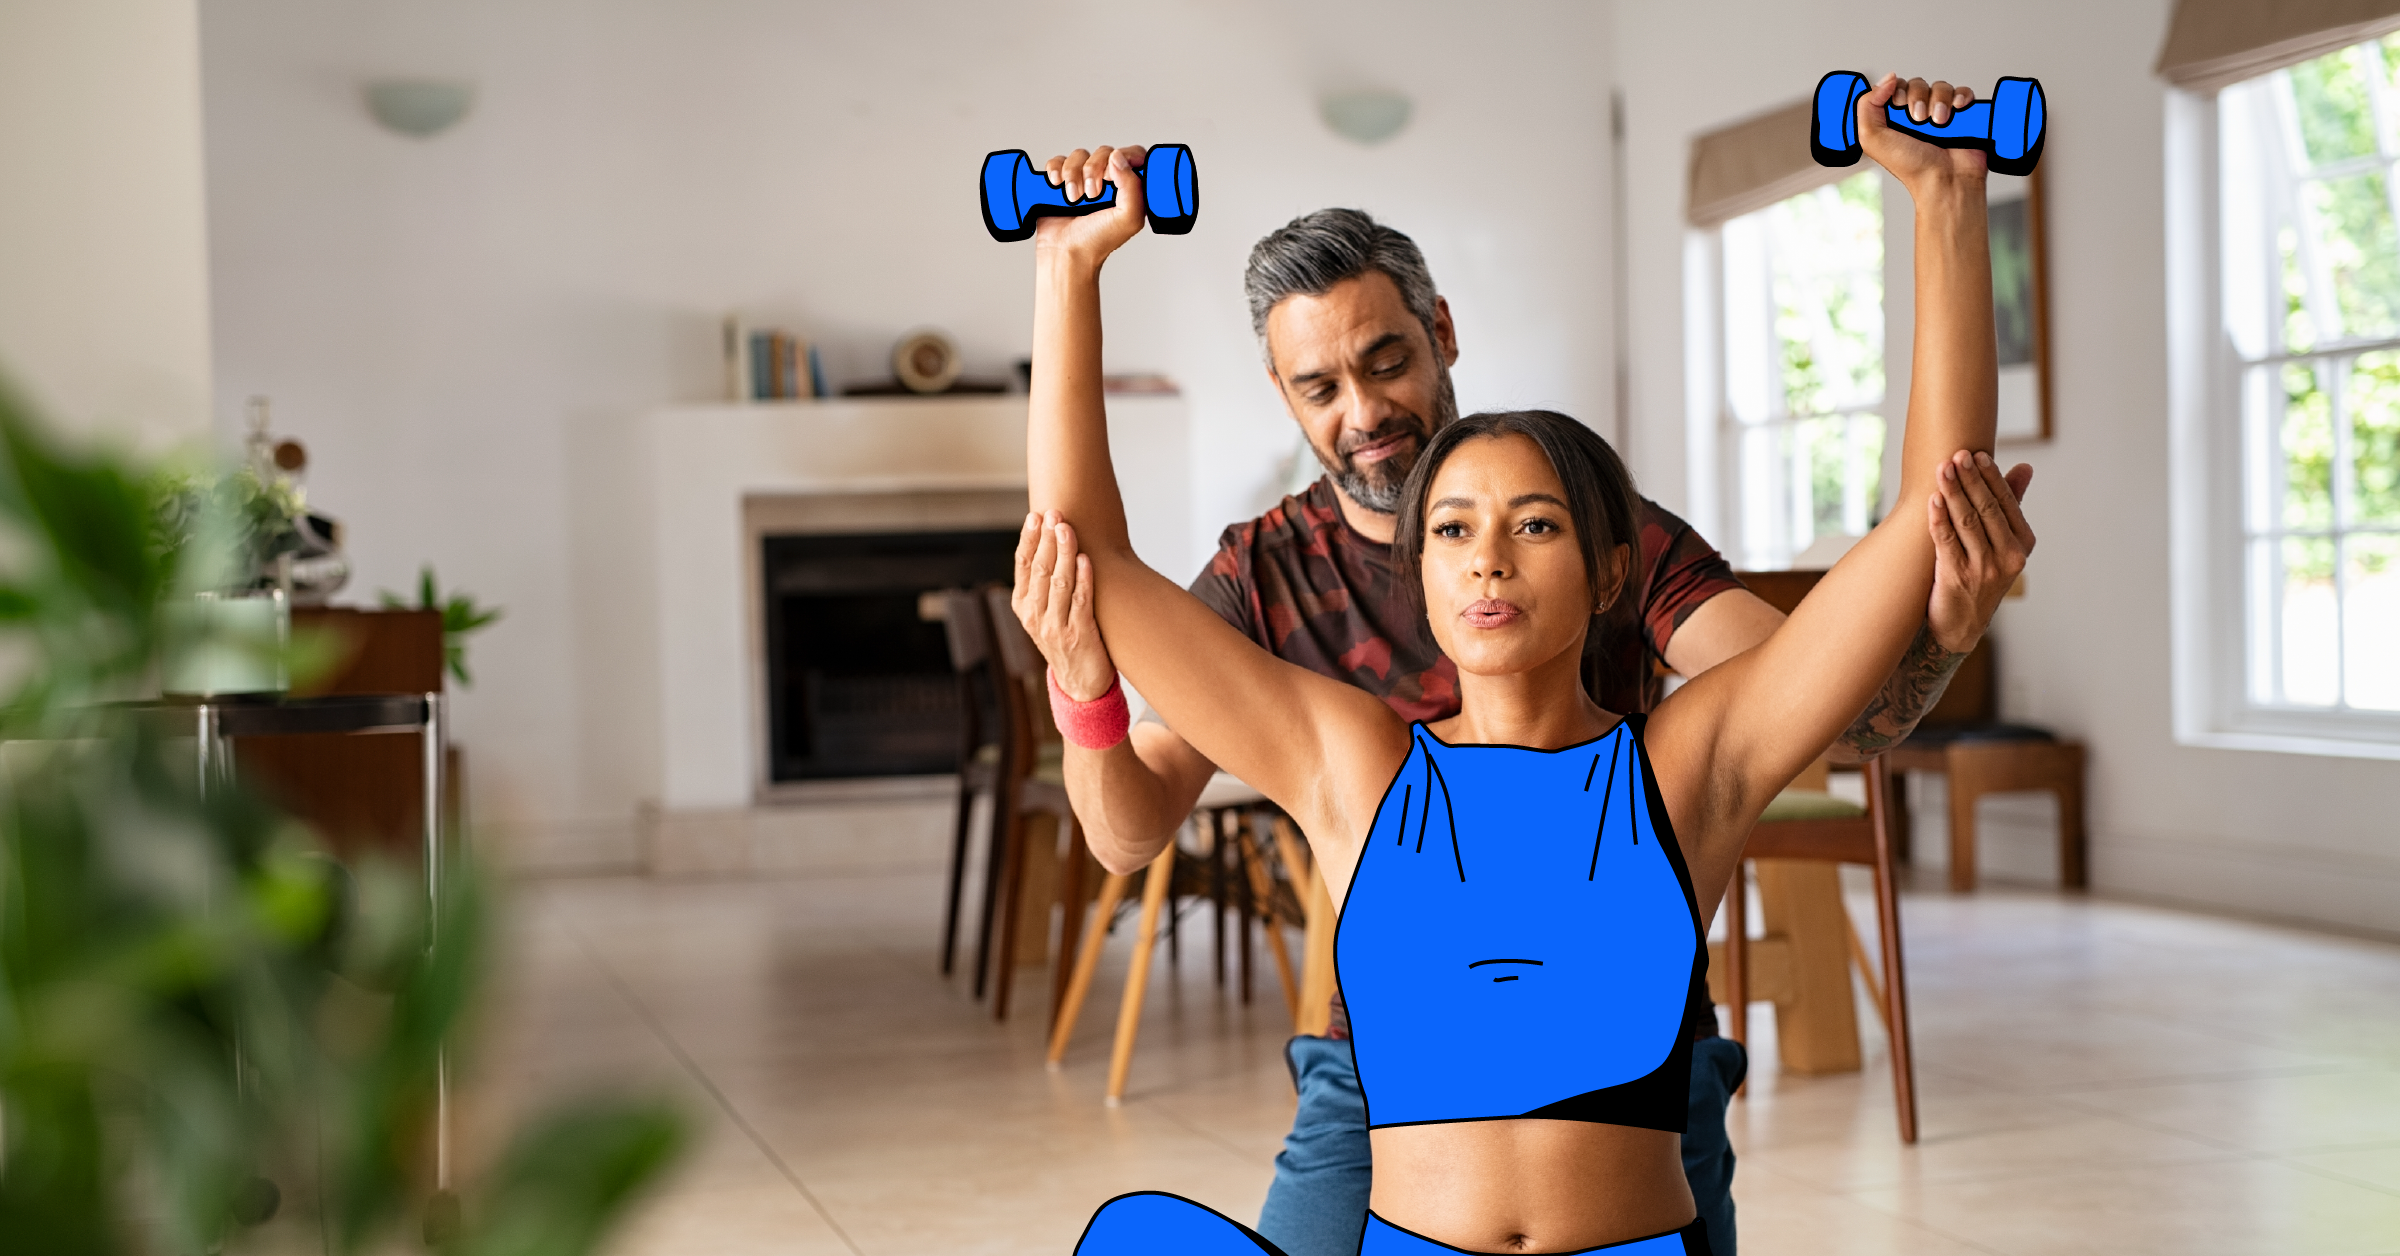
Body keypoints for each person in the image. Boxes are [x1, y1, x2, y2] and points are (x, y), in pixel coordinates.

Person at [1009, 94, 2034, 1256]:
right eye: (1450, 531)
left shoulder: (1692, 757)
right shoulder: (1348, 754)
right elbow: (1087, 560)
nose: (1487, 554)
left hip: (1645, 1099)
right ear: (1417, 572)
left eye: (1532, 525)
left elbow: (1919, 528)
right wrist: (1068, 263)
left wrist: (1948, 195)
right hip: (1378, 1082)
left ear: (1608, 570)